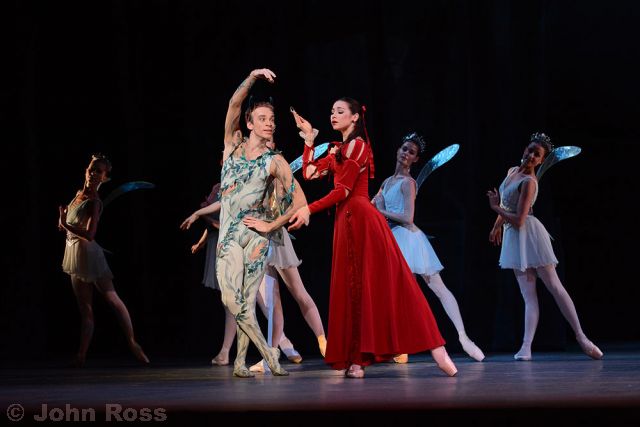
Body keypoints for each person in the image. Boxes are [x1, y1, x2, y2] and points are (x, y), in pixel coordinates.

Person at [288, 98, 457, 378]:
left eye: (340, 111)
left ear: (355, 117)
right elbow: (309, 172)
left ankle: (438, 351)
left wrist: (308, 209)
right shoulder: (339, 149)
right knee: (353, 290)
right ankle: (357, 359)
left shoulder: (358, 146)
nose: (333, 115)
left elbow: (343, 191)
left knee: (392, 286)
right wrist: (308, 140)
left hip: (362, 220)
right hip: (346, 222)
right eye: (331, 111)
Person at [193, 67, 306, 378]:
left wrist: (272, 225)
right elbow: (233, 104)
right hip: (229, 236)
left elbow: (299, 201)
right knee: (231, 298)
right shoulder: (231, 147)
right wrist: (253, 77)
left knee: (245, 300)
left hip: (255, 237)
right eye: (263, 119)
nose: (270, 123)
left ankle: (242, 361)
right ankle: (269, 352)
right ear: (249, 123)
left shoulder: (274, 161)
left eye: (272, 119)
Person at [487, 132, 603, 361]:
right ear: (525, 150)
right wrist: (496, 226)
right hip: (514, 238)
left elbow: (519, 219)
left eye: (537, 154)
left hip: (529, 234)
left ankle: (581, 337)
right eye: (530, 150)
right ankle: (526, 347)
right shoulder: (512, 171)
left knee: (554, 286)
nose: (531, 155)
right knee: (528, 295)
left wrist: (495, 208)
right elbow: (506, 204)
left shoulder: (529, 182)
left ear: (541, 160)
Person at [372, 132, 485, 363]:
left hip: (408, 239)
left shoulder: (408, 183)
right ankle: (400, 345)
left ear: (416, 159)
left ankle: (463, 337)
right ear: (398, 150)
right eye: (404, 149)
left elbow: (407, 218)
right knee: (397, 293)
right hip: (391, 239)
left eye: (411, 152)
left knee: (437, 287)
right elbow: (373, 206)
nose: (406, 153)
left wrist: (380, 210)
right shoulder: (387, 182)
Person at [181, 181, 306, 366]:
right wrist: (202, 238)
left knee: (262, 300)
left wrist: (205, 217)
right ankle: (230, 351)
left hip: (244, 243)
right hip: (227, 246)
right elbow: (214, 220)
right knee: (236, 301)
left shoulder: (244, 183)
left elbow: (232, 218)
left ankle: (281, 343)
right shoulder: (218, 188)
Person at [59, 154, 149, 367]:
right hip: (73, 253)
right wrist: (63, 223)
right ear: (86, 170)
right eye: (92, 169)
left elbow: (90, 235)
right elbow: (69, 225)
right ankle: (81, 355)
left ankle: (132, 342)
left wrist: (65, 224)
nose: (94, 174)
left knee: (112, 298)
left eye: (99, 171)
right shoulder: (78, 195)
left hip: (89, 254)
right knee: (85, 309)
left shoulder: (95, 202)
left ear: (104, 178)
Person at [248, 138, 327, 373]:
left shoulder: (280, 170)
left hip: (277, 237)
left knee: (299, 292)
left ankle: (323, 340)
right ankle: (270, 355)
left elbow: (298, 203)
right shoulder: (251, 171)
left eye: (268, 143)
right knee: (273, 304)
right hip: (258, 240)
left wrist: (278, 220)